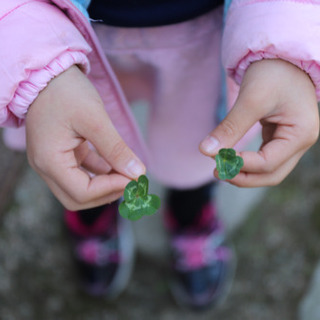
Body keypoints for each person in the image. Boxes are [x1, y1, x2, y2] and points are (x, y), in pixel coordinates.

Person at [1, 0, 319, 310]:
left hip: (209, 33)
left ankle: (191, 212)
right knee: (82, 150)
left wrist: (286, 32)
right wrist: (32, 59)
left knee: (199, 148)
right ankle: (91, 212)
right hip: (61, 30)